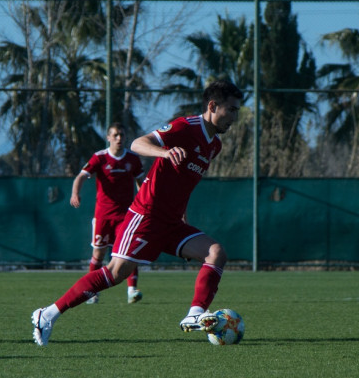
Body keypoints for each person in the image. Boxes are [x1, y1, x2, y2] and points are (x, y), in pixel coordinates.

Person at [32, 79, 243, 346]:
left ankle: (195, 314)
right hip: (146, 215)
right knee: (114, 274)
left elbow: (185, 184)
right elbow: (137, 144)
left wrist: (184, 217)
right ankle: (47, 314)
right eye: (231, 110)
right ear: (213, 106)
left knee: (216, 253)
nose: (234, 117)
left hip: (171, 222)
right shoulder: (184, 127)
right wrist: (164, 153)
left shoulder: (214, 145)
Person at [69, 122, 145, 304]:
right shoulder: (99, 158)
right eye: (116, 135)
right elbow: (81, 176)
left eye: (122, 135)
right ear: (108, 138)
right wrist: (75, 193)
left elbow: (141, 183)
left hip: (126, 215)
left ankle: (132, 291)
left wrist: (145, 202)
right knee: (99, 254)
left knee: (129, 253)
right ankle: (91, 292)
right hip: (103, 215)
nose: (119, 138)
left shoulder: (133, 160)